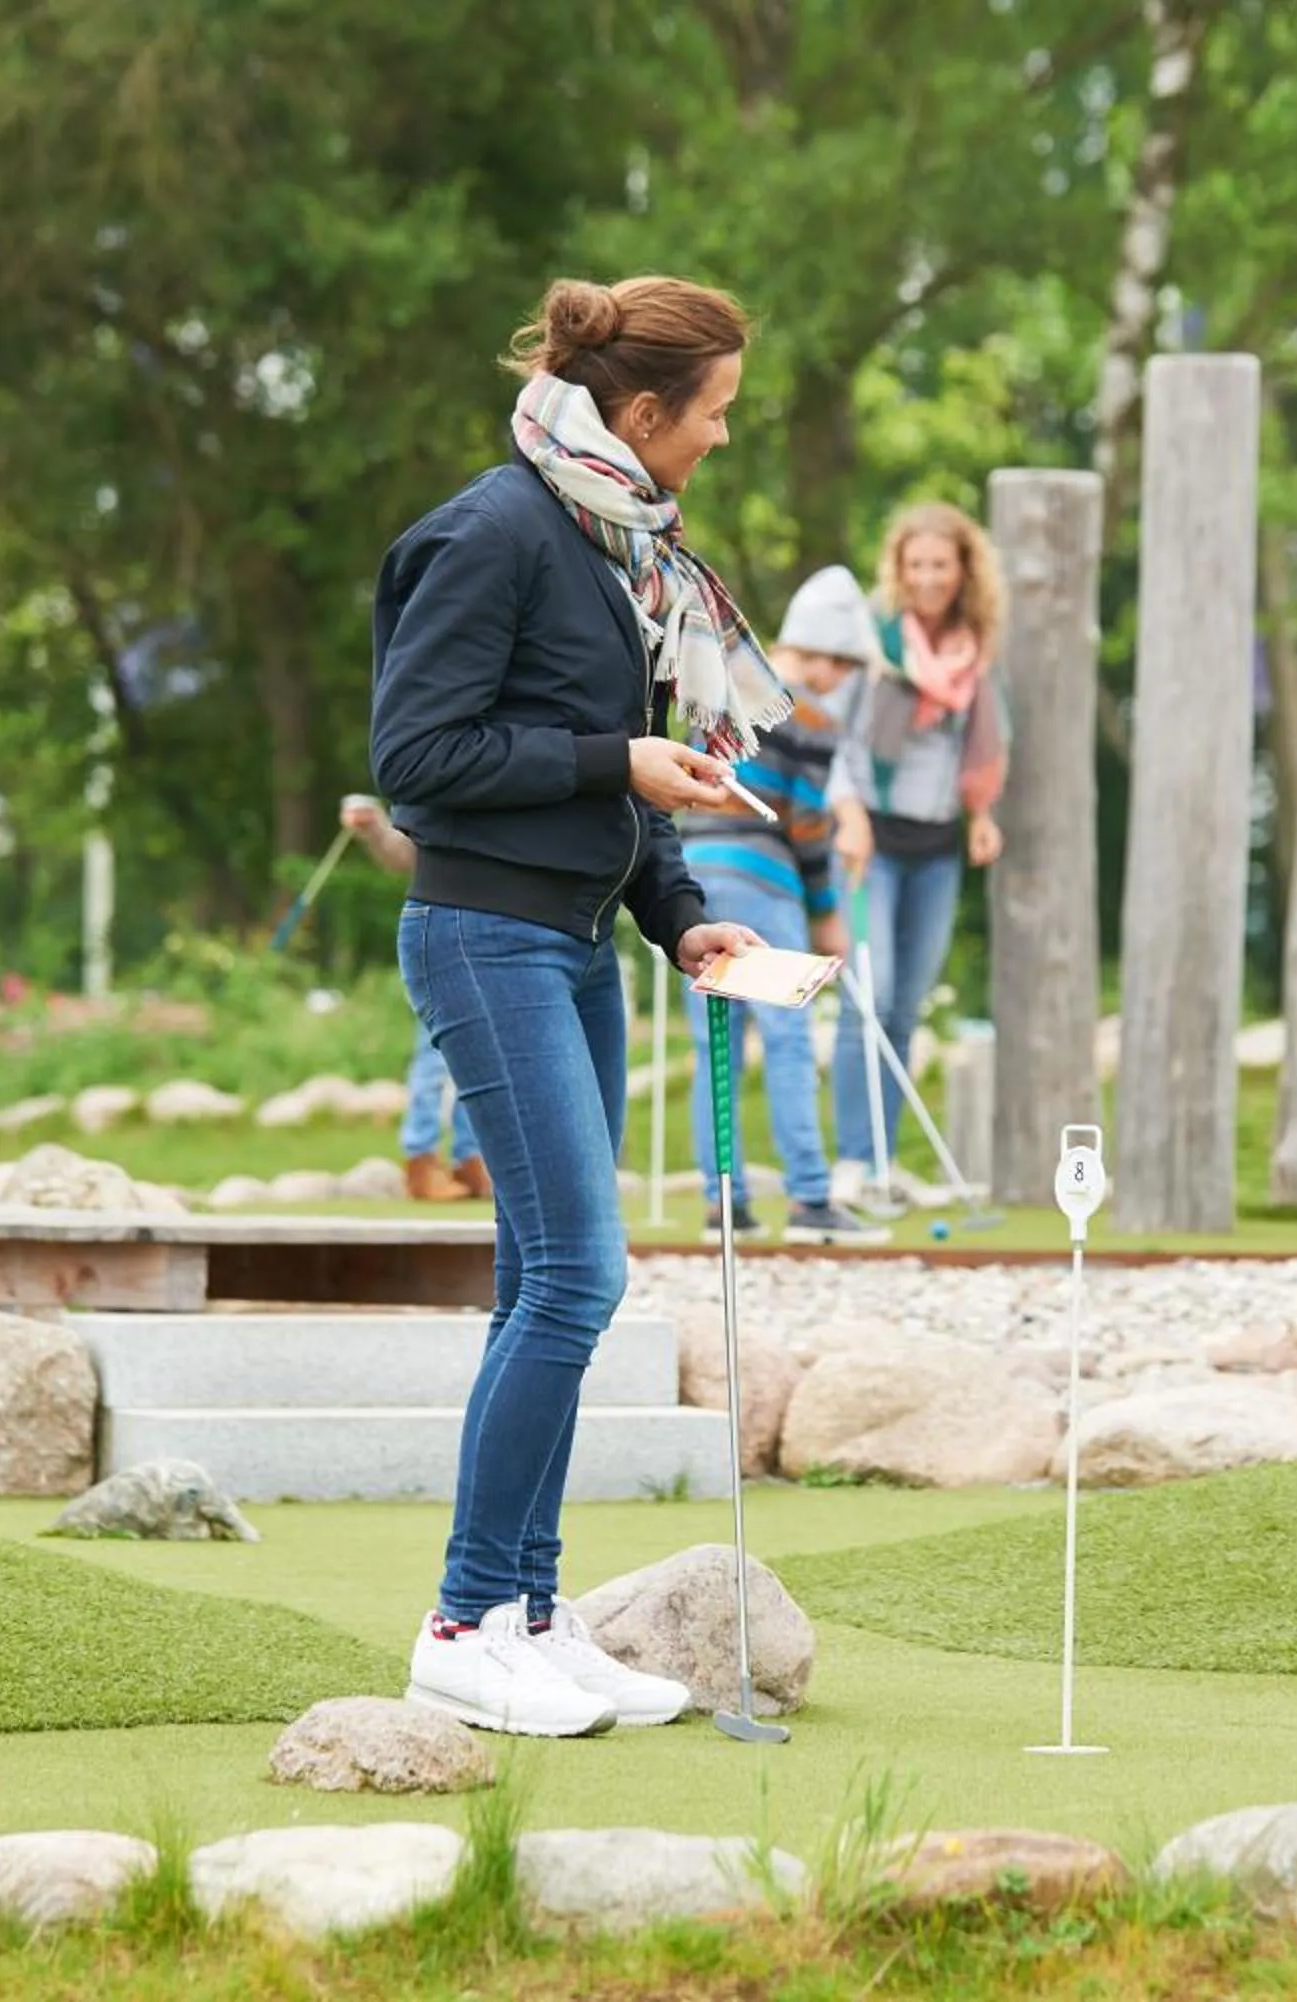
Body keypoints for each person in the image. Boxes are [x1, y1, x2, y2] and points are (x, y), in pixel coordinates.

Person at [371, 274, 777, 1737]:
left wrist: (682, 916)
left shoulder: (616, 543)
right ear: (644, 411)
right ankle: (462, 1623)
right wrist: (614, 762)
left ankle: (534, 1613)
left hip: (577, 943)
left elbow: (631, 768)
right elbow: (417, 758)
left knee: (540, 1284)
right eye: (713, 414)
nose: (722, 438)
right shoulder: (492, 533)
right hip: (484, 939)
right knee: (575, 1281)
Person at [675, 566, 894, 1247]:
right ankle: (809, 1199)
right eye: (845, 666)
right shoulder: (812, 716)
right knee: (788, 1039)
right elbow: (807, 826)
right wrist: (828, 914)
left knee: (716, 1045)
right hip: (766, 886)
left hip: (692, 878)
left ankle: (725, 1204)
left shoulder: (724, 690)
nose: (841, 681)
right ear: (824, 654)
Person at [826, 502, 1011, 1202]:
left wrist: (981, 814)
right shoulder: (872, 643)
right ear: (899, 571)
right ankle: (852, 1161)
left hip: (936, 847)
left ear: (964, 571)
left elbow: (982, 745)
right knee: (867, 997)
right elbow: (832, 740)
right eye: (916, 565)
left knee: (904, 1007)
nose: (929, 577)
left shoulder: (975, 651)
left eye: (941, 565)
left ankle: (882, 1163)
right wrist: (848, 814)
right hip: (870, 842)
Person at [339, 797, 491, 1202]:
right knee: (434, 1059)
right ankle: (421, 1161)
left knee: (486, 1055)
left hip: (492, 934)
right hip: (442, 934)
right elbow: (403, 854)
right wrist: (373, 826)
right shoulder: (438, 789)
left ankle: (471, 1159)